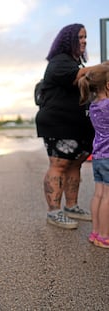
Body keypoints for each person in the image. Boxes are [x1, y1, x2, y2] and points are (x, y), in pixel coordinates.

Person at [35, 23, 95, 229]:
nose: (84, 41)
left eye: (85, 37)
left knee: (74, 164)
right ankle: (54, 212)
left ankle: (71, 206)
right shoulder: (59, 61)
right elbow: (82, 75)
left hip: (76, 125)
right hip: (57, 123)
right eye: (79, 37)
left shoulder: (74, 62)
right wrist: (105, 66)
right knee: (59, 165)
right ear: (68, 39)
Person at [78, 64, 109, 247]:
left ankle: (96, 233)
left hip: (98, 156)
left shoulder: (95, 105)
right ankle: (105, 236)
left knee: (98, 194)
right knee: (107, 196)